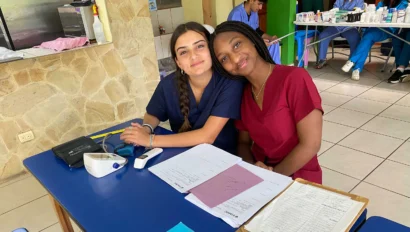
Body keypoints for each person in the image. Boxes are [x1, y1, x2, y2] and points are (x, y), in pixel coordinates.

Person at [210, 21, 324, 184]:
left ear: (253, 40)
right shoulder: (242, 94)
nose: (235, 58)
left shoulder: (294, 78)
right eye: (224, 58)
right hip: (260, 175)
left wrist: (271, 176)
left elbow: (310, 144)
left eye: (236, 45)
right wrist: (253, 169)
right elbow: (243, 142)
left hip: (299, 176)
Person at [120, 22, 244, 154]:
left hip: (223, 159)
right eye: (184, 52)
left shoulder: (230, 82)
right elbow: (153, 114)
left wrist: (150, 140)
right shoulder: (168, 85)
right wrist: (146, 128)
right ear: (178, 62)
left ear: (211, 49)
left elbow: (207, 136)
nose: (193, 56)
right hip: (180, 157)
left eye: (200, 46)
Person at [342, 0, 409, 80]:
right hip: (376, 27)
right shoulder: (381, 3)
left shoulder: (403, 4)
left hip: (389, 30)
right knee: (367, 39)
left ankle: (353, 62)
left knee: (367, 37)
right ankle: (356, 69)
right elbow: (375, 16)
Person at [228, 0, 281, 64]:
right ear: (251, 1)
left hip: (253, 44)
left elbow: (257, 31)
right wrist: (258, 43)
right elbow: (237, 40)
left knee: (274, 44)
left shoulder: (254, 13)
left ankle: (276, 68)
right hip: (240, 48)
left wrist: (271, 38)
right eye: (259, 4)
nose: (261, 7)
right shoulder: (236, 14)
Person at [315, 0, 364, 69]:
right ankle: (321, 59)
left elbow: (358, 12)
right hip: (336, 26)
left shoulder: (359, 1)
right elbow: (334, 11)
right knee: (323, 36)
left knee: (355, 38)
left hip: (350, 27)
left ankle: (352, 61)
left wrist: (342, 13)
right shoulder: (339, 0)